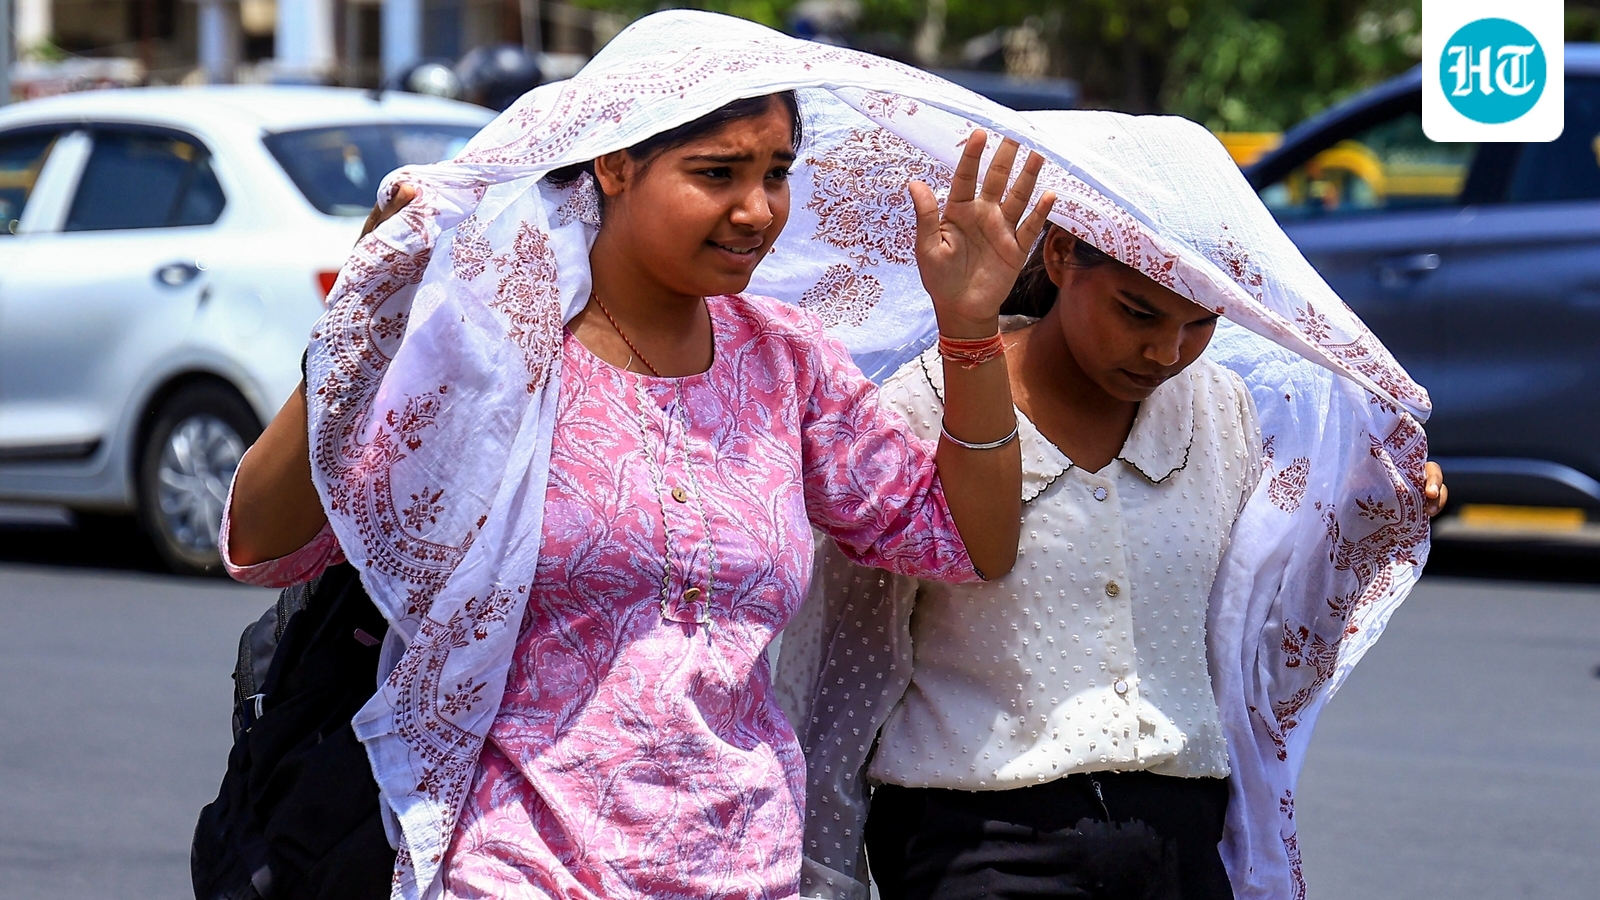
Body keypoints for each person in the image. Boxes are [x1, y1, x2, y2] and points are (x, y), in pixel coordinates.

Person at [226, 80, 1055, 900]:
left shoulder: (784, 361)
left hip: (748, 867)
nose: (758, 210)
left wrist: (969, 325)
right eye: (718, 173)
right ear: (617, 164)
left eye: (775, 173)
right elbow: (266, 545)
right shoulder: (499, 347)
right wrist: (359, 335)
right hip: (515, 864)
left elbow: (964, 538)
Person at [825, 224, 1448, 900]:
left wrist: (1362, 511)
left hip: (1179, 838)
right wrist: (821, 872)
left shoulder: (1220, 408)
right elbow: (845, 668)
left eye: (1200, 324)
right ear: (1062, 256)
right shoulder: (916, 411)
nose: (1165, 351)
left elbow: (1254, 638)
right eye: (1137, 312)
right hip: (974, 841)